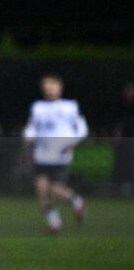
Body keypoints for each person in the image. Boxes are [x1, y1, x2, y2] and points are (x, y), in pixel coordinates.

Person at [22, 73, 88, 234]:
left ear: (60, 88)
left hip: (60, 154)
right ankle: (54, 223)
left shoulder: (69, 106)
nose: (49, 90)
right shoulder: (37, 107)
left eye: (52, 87)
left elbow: (81, 128)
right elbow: (32, 127)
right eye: (46, 88)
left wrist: (72, 143)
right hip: (42, 154)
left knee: (55, 189)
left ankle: (76, 201)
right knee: (41, 189)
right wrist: (28, 136)